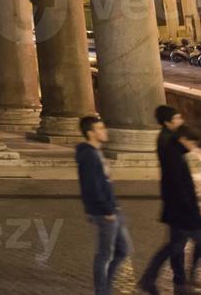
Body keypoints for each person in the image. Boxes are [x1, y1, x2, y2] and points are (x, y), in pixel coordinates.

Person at [138, 111, 201, 295]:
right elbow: (178, 187)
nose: (194, 147)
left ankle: (153, 279)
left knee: (174, 246)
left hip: (178, 212)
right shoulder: (170, 149)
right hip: (184, 214)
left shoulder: (172, 146)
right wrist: (192, 213)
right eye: (177, 118)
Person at [76, 115, 130, 295]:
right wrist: (107, 210)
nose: (105, 131)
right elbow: (92, 186)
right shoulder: (88, 155)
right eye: (100, 128)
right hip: (105, 212)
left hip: (112, 209)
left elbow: (104, 182)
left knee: (123, 250)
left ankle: (105, 286)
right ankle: (102, 291)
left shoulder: (96, 152)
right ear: (91, 133)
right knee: (105, 254)